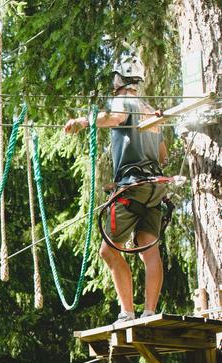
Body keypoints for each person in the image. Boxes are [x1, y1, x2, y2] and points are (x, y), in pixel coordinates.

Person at [64, 54, 168, 323]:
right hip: (154, 188)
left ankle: (127, 313)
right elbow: (163, 155)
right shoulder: (148, 109)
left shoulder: (123, 101)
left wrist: (84, 121)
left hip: (133, 187)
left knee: (108, 251)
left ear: (119, 78)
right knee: (149, 250)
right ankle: (149, 311)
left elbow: (117, 117)